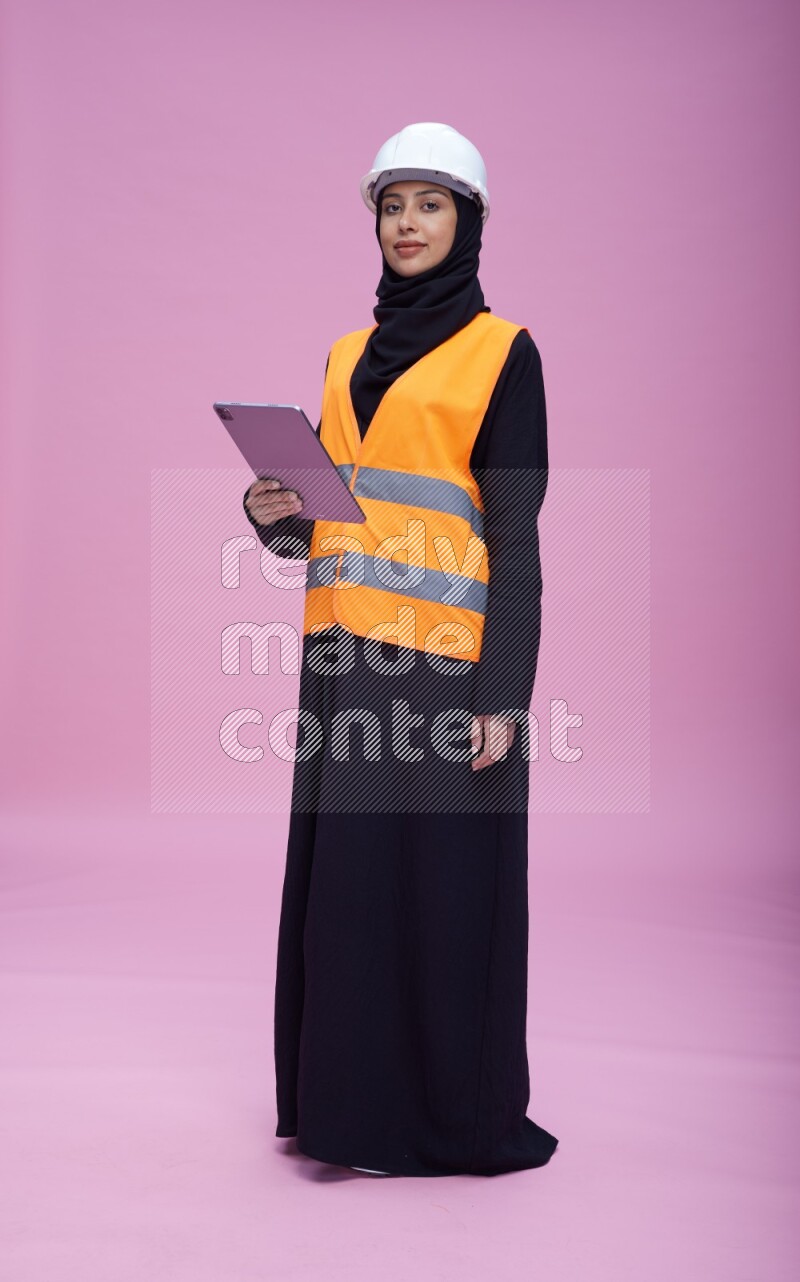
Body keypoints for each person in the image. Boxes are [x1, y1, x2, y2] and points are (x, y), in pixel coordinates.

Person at [244, 122, 558, 1177]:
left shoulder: (501, 352)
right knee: (352, 896)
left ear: (465, 220)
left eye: (429, 204)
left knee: (440, 894)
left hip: (444, 669)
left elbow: (513, 537)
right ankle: (348, 1120)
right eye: (392, 206)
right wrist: (271, 510)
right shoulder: (342, 356)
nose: (407, 224)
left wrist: (501, 696)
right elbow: (325, 522)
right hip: (342, 664)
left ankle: (443, 1118)